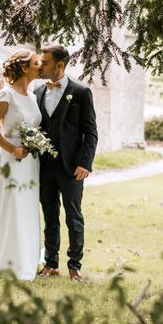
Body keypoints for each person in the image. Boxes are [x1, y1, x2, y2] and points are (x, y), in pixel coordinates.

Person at [35, 44, 98, 282]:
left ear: (59, 65)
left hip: (72, 167)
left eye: (45, 63)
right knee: (50, 215)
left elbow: (90, 132)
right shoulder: (38, 92)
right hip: (44, 166)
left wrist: (85, 163)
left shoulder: (81, 92)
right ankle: (51, 263)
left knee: (73, 216)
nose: (40, 66)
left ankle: (75, 266)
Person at [0, 50, 42, 280]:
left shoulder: (34, 96)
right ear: (25, 68)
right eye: (37, 63)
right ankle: (5, 259)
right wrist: (13, 149)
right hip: (11, 158)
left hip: (30, 160)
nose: (41, 67)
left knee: (27, 206)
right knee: (12, 206)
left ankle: (26, 258)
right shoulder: (5, 95)